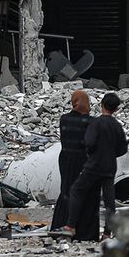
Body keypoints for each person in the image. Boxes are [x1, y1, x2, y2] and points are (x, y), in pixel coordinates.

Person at [68, 92, 126, 243]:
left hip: (94, 166)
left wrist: (93, 153)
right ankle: (107, 233)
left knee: (77, 190)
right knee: (109, 202)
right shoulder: (117, 126)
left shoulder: (96, 123)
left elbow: (89, 142)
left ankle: (71, 226)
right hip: (110, 168)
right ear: (116, 109)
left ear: (102, 105)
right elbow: (123, 149)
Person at [48, 89, 92, 237]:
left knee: (66, 190)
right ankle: (79, 227)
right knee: (81, 192)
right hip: (82, 160)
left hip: (66, 158)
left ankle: (60, 224)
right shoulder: (90, 121)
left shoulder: (64, 119)